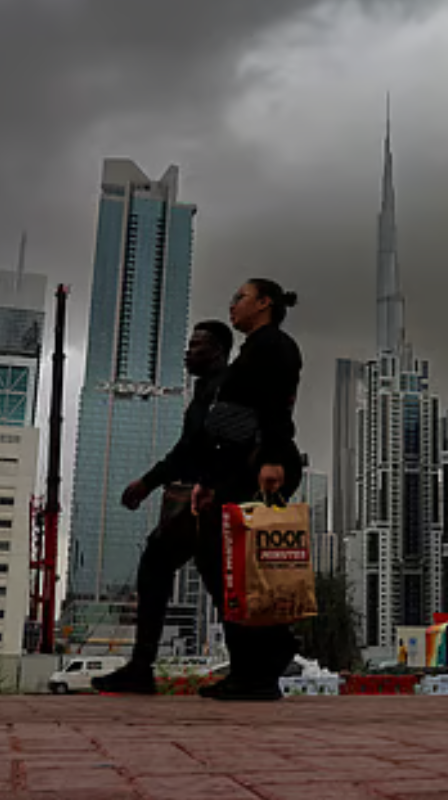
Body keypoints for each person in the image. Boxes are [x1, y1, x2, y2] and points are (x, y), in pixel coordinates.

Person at [98, 279, 305, 701]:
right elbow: (211, 440)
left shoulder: (272, 347)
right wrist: (202, 483)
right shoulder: (247, 356)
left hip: (255, 472)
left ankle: (263, 661)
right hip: (231, 475)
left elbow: (274, 408)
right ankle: (256, 664)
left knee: (231, 573)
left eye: (240, 297)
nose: (233, 304)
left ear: (264, 303)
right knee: (218, 571)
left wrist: (270, 460)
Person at [91, 319, 232, 696]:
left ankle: (144, 668)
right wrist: (149, 482)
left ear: (218, 351)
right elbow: (187, 450)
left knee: (184, 571)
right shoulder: (205, 391)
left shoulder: (225, 388)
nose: (188, 352)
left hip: (213, 500)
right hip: (204, 499)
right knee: (211, 580)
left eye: (197, 345)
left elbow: (228, 444)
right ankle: (143, 668)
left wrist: (208, 485)